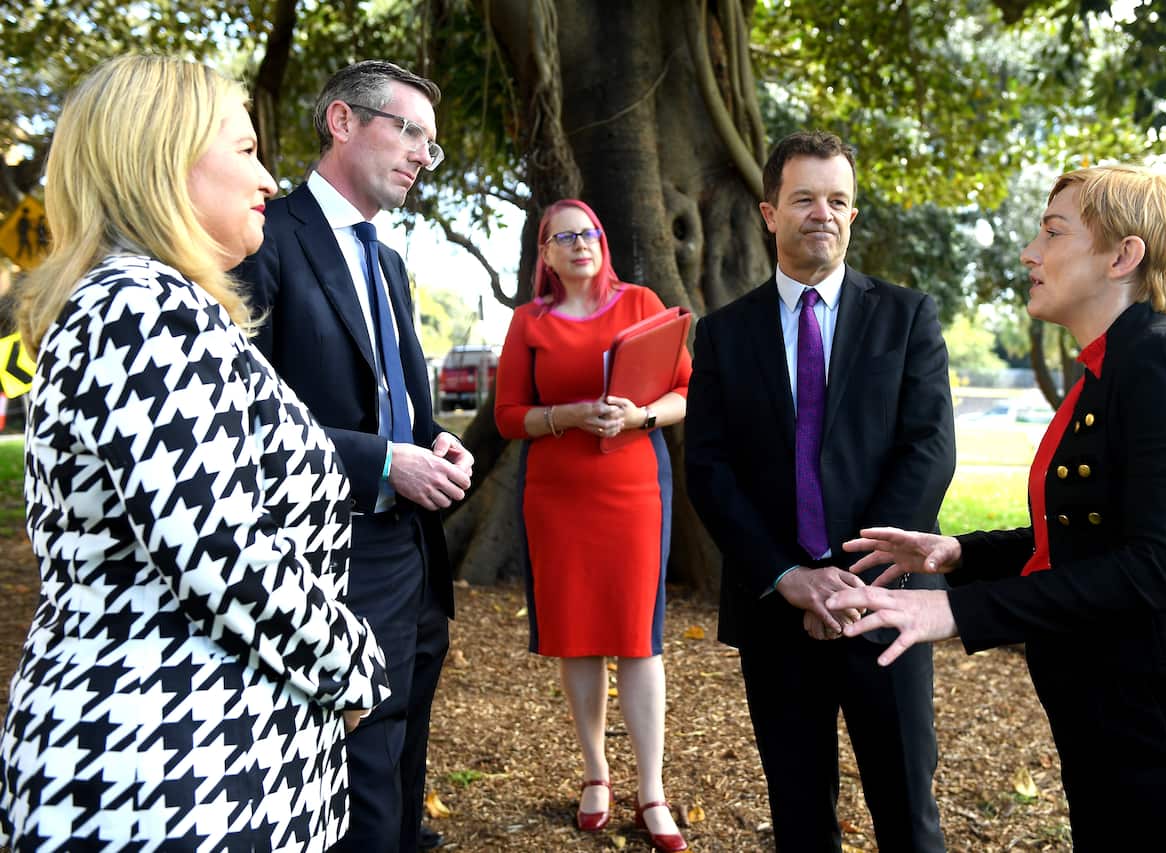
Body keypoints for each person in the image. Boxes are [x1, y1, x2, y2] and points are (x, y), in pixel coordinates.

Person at [0, 54, 390, 849]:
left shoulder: (149, 305)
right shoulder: (142, 309)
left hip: (197, 763)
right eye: (245, 150)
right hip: (170, 774)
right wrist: (353, 662)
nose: (270, 180)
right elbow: (221, 548)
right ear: (162, 157)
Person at [830, 164, 1166, 852]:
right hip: (1120, 719)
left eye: (1053, 231)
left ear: (1123, 255)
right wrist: (959, 554)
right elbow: (1087, 531)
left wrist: (953, 611)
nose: (1029, 252)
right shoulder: (1113, 362)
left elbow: (1160, 565)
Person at [684, 130, 954, 852]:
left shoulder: (908, 317)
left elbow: (928, 451)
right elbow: (709, 470)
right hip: (776, 610)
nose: (822, 213)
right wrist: (791, 576)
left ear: (853, 216)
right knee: (800, 817)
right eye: (804, 198)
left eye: (838, 200)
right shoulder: (721, 334)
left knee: (908, 812)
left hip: (882, 602)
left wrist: (854, 583)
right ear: (770, 212)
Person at [233, 60, 472, 853]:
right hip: (327, 552)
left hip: (413, 546)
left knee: (403, 745)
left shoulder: (389, 259)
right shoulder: (263, 237)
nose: (420, 156)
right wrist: (380, 461)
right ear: (342, 122)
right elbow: (241, 414)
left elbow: (405, 404)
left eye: (429, 145)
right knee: (356, 763)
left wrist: (436, 442)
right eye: (409, 132)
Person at [494, 199, 692, 852]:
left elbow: (682, 393)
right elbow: (507, 415)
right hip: (557, 494)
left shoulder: (642, 302)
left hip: (634, 489)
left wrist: (635, 417)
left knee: (639, 637)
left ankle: (652, 788)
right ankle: (595, 773)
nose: (581, 242)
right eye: (564, 235)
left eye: (591, 232)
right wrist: (569, 415)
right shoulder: (529, 321)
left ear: (603, 243)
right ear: (544, 253)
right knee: (577, 634)